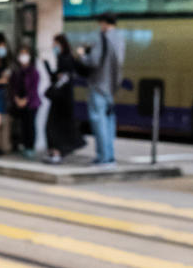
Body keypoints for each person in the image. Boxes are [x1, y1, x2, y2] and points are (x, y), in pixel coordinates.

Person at [76, 12, 125, 165]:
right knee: (109, 122)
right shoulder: (120, 38)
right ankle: (109, 155)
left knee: (99, 121)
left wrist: (82, 55)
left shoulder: (101, 37)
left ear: (104, 23)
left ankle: (103, 157)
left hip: (98, 85)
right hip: (111, 86)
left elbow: (94, 61)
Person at [43, 34, 85, 164]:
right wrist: (49, 69)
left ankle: (57, 153)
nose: (54, 47)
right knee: (54, 126)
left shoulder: (66, 58)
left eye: (56, 44)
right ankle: (55, 152)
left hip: (62, 100)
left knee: (54, 127)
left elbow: (63, 78)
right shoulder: (64, 58)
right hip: (62, 99)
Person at [9, 44, 41, 159]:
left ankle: (30, 147)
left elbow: (33, 88)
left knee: (30, 125)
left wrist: (25, 100)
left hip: (31, 103)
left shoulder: (34, 72)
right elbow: (13, 87)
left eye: (25, 54)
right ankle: (21, 145)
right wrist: (17, 99)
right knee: (21, 126)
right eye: (21, 54)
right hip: (19, 102)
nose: (23, 57)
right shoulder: (16, 72)